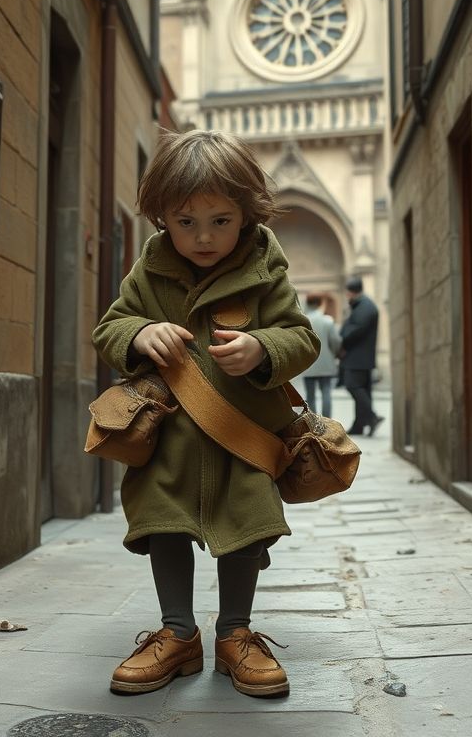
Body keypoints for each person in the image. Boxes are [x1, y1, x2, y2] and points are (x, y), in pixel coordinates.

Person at [93, 129, 319, 699]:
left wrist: (263, 347)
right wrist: (140, 333)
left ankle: (235, 634)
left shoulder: (265, 270)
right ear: (162, 216)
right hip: (167, 437)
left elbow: (301, 337)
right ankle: (177, 634)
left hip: (242, 439)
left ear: (246, 213)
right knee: (163, 526)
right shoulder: (149, 270)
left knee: (246, 530)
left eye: (221, 220)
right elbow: (110, 327)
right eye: (185, 221)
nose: (203, 236)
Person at [339, 277, 383, 436]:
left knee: (353, 385)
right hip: (360, 357)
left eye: (347, 293)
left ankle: (372, 417)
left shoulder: (365, 307)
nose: (346, 296)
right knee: (362, 389)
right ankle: (359, 425)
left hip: (358, 357)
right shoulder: (362, 306)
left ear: (351, 292)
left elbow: (355, 330)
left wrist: (342, 340)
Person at [301, 294, 341, 418]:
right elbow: (335, 341)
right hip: (326, 362)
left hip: (308, 362)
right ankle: (327, 420)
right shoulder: (327, 320)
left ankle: (314, 422)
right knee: (326, 392)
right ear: (320, 303)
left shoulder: (303, 322)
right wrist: (335, 354)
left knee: (310, 395)